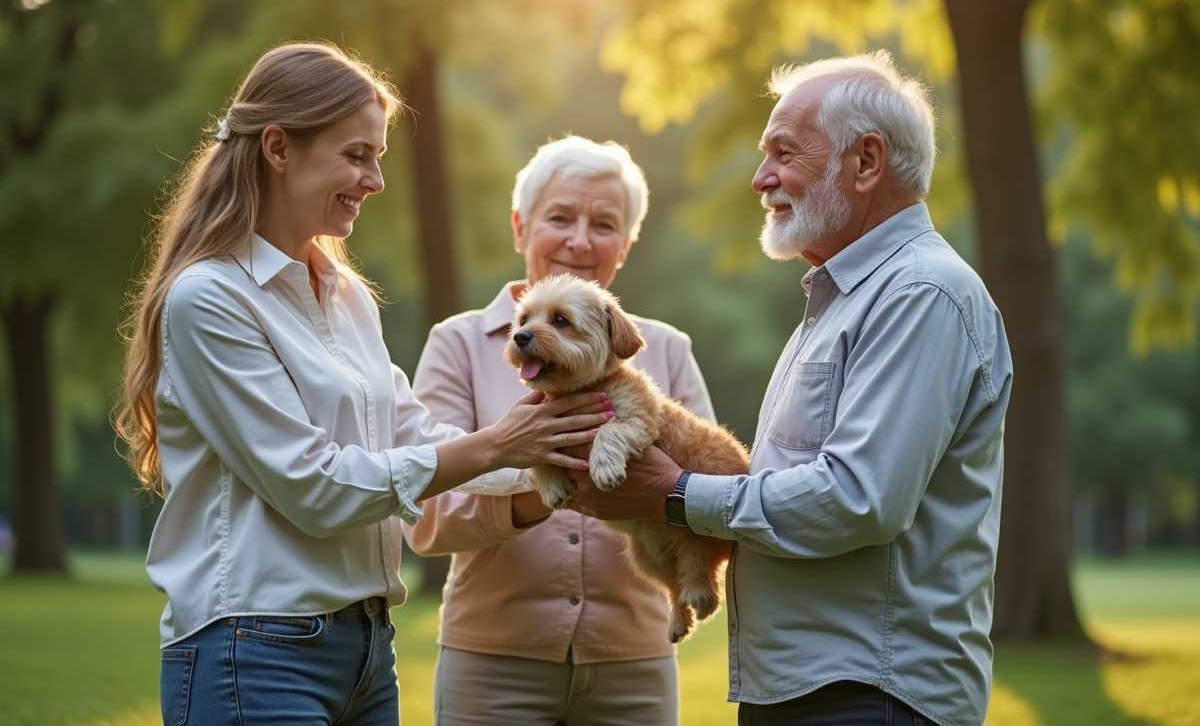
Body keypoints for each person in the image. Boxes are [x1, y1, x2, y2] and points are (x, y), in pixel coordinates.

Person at [115, 43, 613, 726]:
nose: (374, 179)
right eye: (356, 156)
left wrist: (553, 462)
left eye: (376, 157)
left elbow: (412, 435)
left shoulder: (345, 294)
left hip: (367, 651)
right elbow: (315, 488)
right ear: (278, 147)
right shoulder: (209, 299)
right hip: (255, 651)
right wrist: (503, 446)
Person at [565, 51, 1014, 726]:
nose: (759, 178)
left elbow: (859, 499)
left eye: (783, 152)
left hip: (871, 695)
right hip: (813, 689)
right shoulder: (844, 298)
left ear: (866, 163)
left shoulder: (921, 295)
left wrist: (678, 495)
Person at [403, 136, 715, 726]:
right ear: (521, 228)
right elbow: (425, 517)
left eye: (603, 224)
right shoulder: (460, 343)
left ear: (625, 245)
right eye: (560, 218)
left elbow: (706, 483)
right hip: (492, 666)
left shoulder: (666, 349)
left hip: (636, 667)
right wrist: (539, 485)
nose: (578, 240)